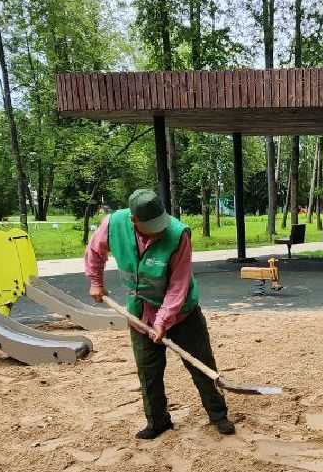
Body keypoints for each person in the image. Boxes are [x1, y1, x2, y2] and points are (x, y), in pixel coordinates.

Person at [85, 189, 234, 440]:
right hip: (140, 314)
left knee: (202, 366)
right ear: (134, 221)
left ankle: (218, 415)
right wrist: (96, 281)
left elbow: (178, 285)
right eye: (152, 226)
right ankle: (157, 421)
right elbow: (94, 252)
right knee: (148, 371)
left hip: (183, 314)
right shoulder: (113, 225)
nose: (160, 229)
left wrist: (163, 320)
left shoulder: (178, 234)